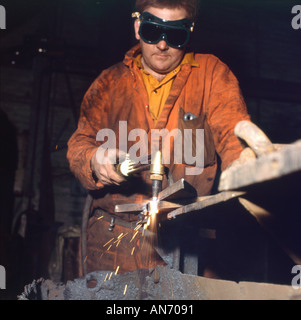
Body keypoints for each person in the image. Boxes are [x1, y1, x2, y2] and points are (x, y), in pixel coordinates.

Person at [67, 0, 250, 276]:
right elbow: (78, 145)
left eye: (175, 34)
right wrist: (94, 159)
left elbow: (233, 133)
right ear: (138, 26)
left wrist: (243, 164)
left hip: (187, 239)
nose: (163, 45)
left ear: (190, 30)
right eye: (153, 31)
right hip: (114, 242)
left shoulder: (211, 76)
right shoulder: (108, 83)